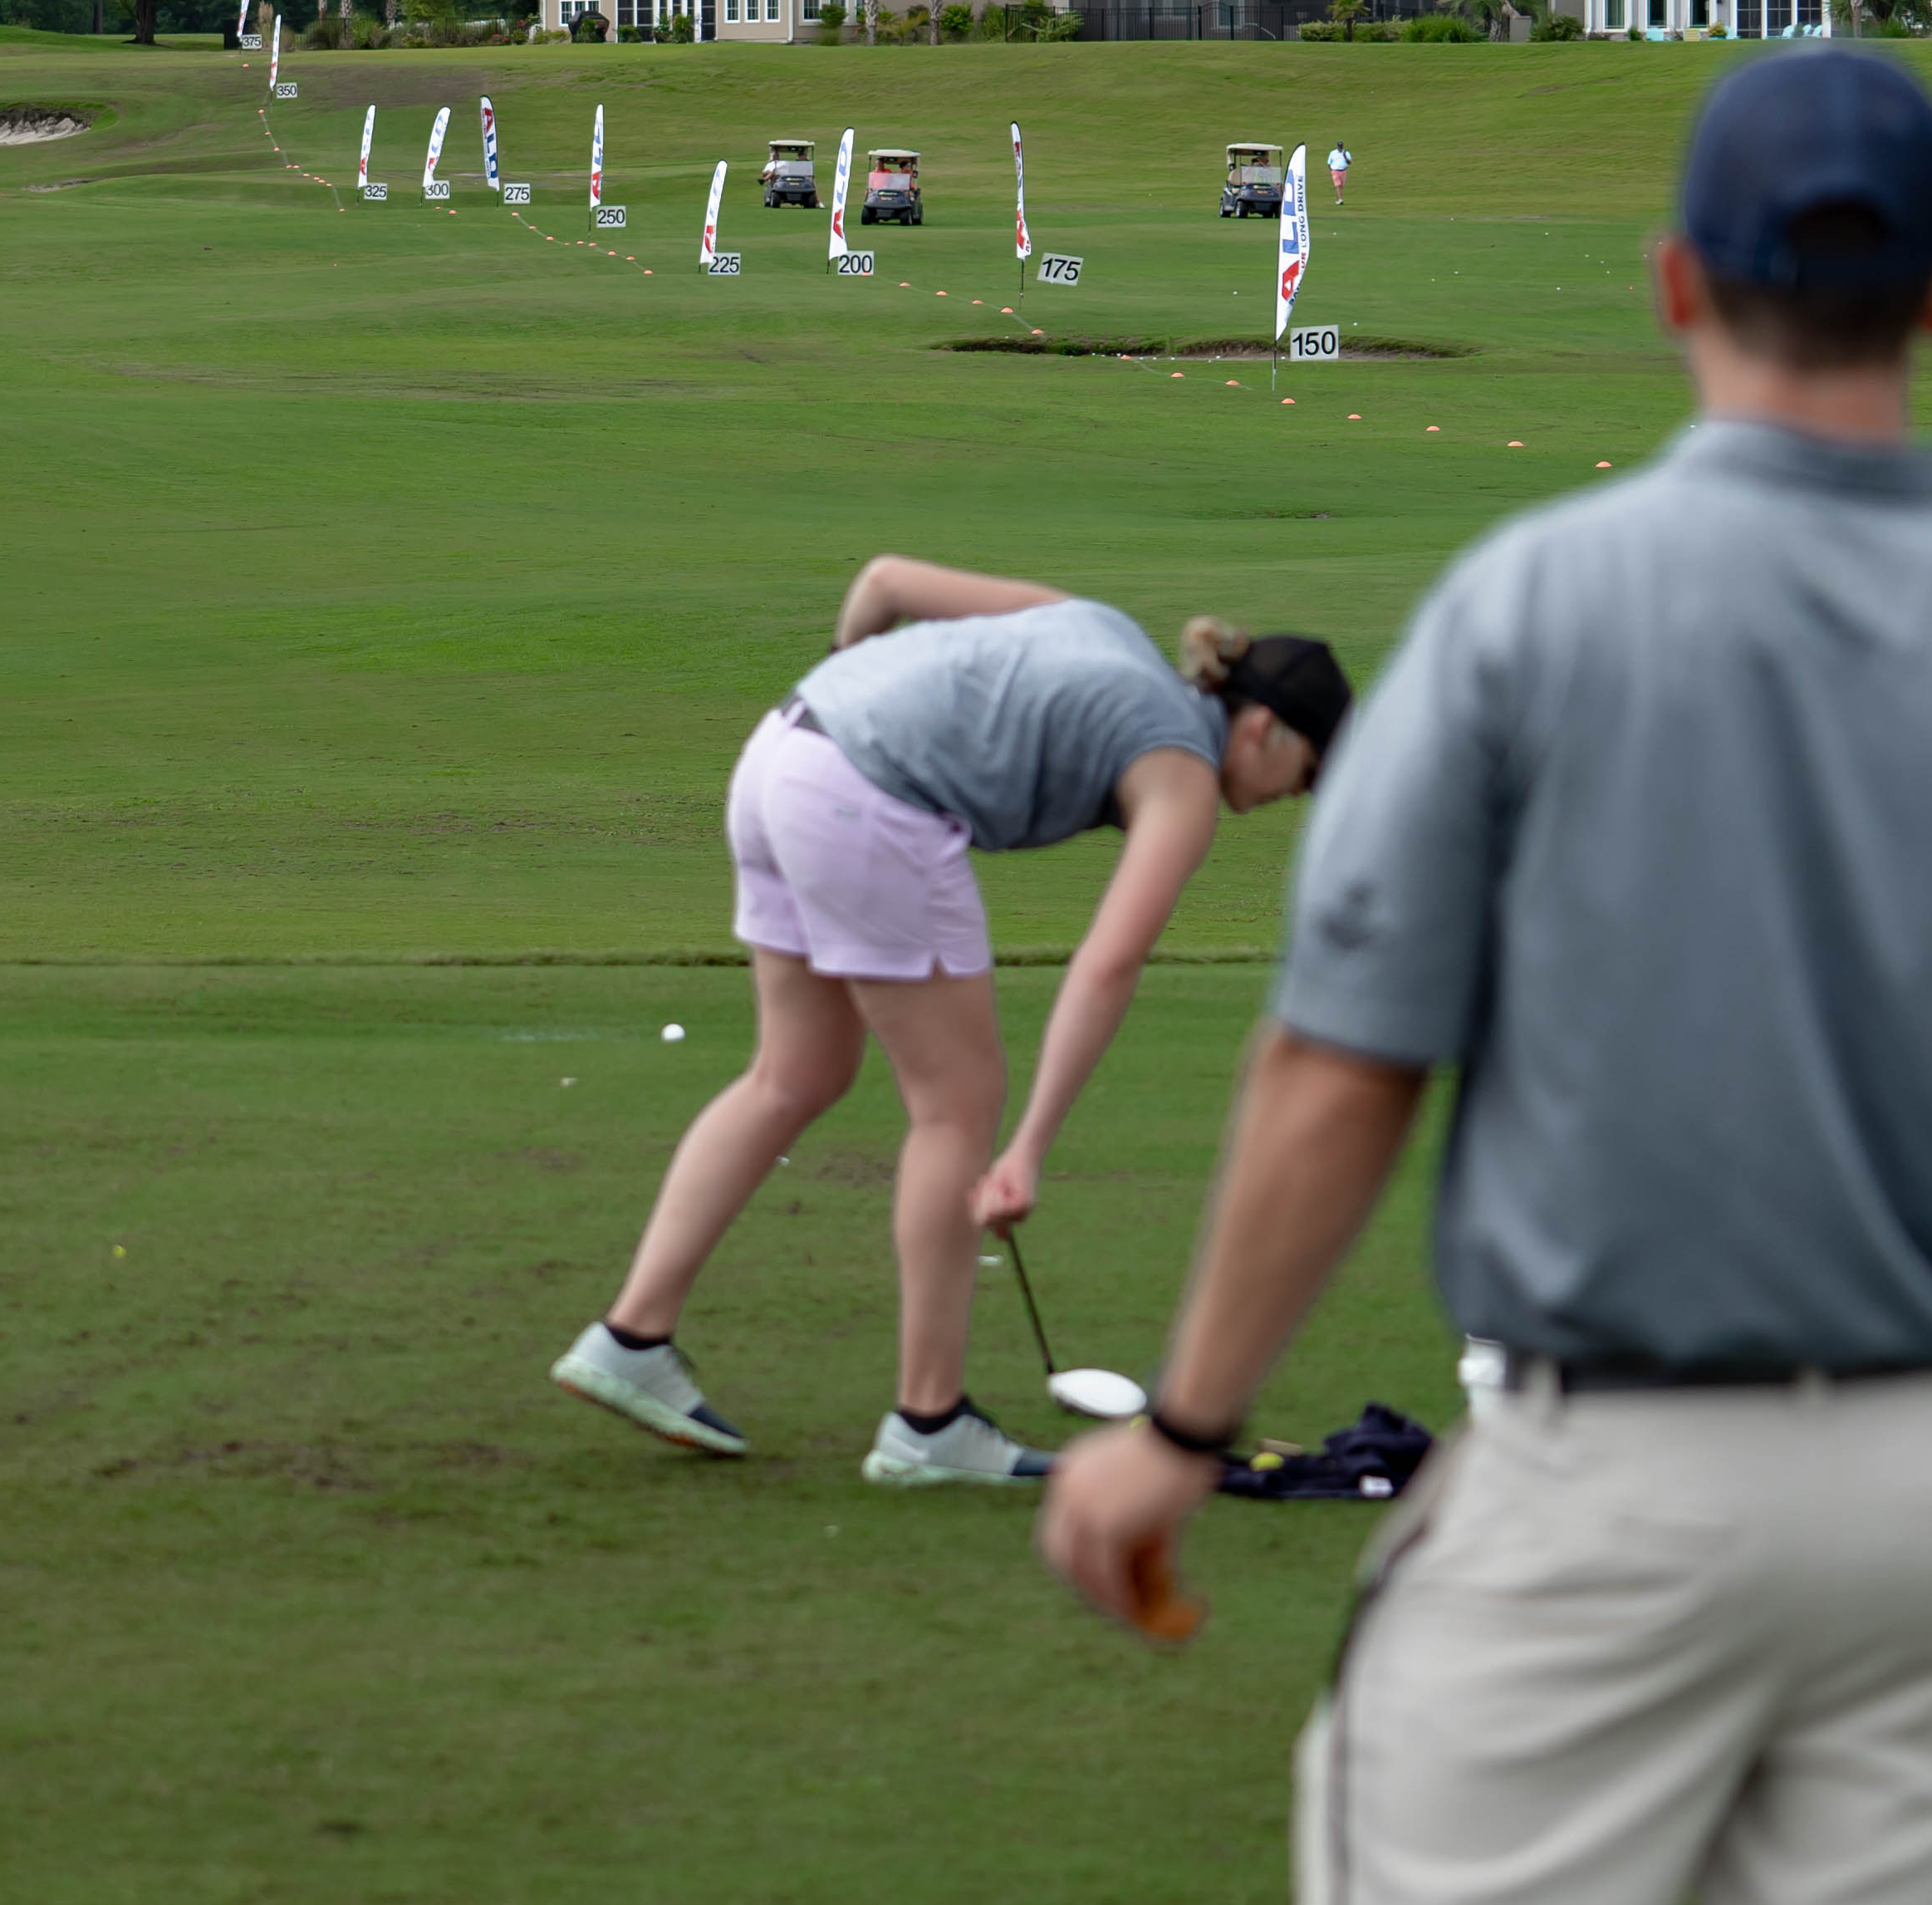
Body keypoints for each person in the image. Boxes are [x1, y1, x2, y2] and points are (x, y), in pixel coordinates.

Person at [1047, 46, 1932, 1905]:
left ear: (1673, 281)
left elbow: (1340, 1065)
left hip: (1608, 1482)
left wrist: (1186, 1427)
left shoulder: (1530, 607)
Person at [554, 557, 1348, 1485]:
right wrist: (1026, 1150)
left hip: (780, 752)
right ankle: (928, 1423)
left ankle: (631, 1338)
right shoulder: (1183, 770)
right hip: (867, 801)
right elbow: (1108, 963)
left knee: (795, 1073)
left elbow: (884, 582)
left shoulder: (1096, 620)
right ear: (1261, 727)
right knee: (957, 1109)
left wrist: (849, 691)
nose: (1299, 795)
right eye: (1309, 771)